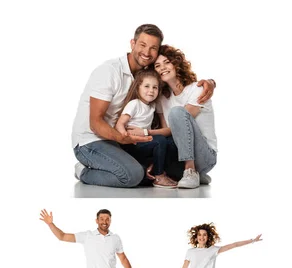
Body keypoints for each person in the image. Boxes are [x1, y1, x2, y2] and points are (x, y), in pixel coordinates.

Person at [72, 24, 215, 188]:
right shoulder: (109, 71)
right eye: (142, 45)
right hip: (91, 141)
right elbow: (95, 123)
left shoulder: (148, 78)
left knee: (149, 171)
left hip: (118, 141)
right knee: (133, 176)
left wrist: (211, 82)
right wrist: (123, 138)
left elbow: (181, 89)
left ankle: (189, 171)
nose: (147, 52)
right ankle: (84, 171)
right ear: (132, 44)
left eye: (153, 48)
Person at [151, 45, 217, 188]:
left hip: (204, 155)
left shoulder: (197, 89)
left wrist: (146, 133)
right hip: (179, 155)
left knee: (177, 112)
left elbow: (176, 126)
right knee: (164, 145)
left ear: (176, 64)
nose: (162, 67)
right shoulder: (162, 99)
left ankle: (190, 171)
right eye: (157, 65)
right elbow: (166, 134)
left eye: (167, 62)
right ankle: (195, 175)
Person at [115, 69, 177, 188]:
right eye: (146, 86)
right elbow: (120, 124)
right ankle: (159, 176)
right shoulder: (134, 104)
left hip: (145, 142)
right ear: (138, 87)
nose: (151, 91)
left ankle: (154, 168)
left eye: (155, 87)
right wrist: (126, 136)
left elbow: (165, 129)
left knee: (169, 141)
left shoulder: (153, 106)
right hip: (132, 143)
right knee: (160, 141)